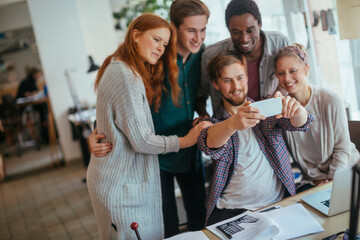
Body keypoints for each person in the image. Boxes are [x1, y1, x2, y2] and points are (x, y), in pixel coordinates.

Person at [89, 0, 210, 237]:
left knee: (200, 221)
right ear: (174, 28)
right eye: (191, 30)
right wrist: (97, 132)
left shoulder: (203, 55)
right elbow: (119, 106)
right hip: (155, 159)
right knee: (167, 228)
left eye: (203, 30)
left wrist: (203, 115)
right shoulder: (152, 58)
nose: (198, 38)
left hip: (189, 153)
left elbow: (198, 95)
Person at [197, 52, 313, 225]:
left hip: (278, 204)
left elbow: (300, 123)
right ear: (215, 84)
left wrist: (298, 110)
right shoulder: (213, 123)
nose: (236, 86)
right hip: (232, 212)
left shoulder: (267, 107)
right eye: (227, 81)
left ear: (246, 78)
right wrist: (233, 123)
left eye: (239, 78)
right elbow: (209, 144)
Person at [274, 44, 360, 192]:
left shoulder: (330, 99)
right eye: (281, 73)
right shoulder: (281, 109)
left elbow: (342, 148)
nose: (287, 78)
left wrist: (333, 181)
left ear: (306, 70)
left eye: (293, 71)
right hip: (314, 182)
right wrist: (316, 180)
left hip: (346, 171)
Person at [196, 0, 289, 118]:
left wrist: (274, 98)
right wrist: (205, 117)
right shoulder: (211, 55)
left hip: (270, 121)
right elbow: (200, 94)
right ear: (228, 29)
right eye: (236, 32)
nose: (244, 39)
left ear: (260, 24)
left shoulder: (279, 43)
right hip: (228, 126)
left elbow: (290, 79)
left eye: (250, 30)